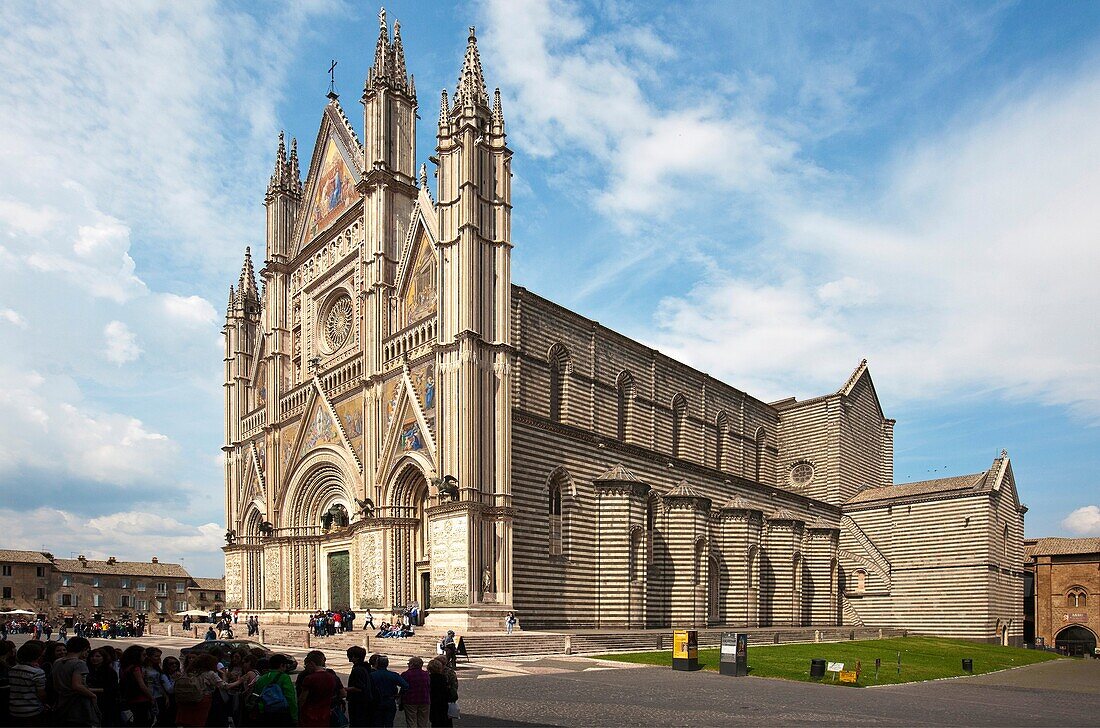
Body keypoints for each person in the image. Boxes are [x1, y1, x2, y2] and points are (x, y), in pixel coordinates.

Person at [52, 636, 100, 727]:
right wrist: (92, 695)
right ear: (84, 649)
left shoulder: (57, 661)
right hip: (76, 703)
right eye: (87, 651)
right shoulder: (79, 663)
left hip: (61, 701)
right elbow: (77, 685)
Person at [296, 650, 344, 727]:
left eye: (306, 665)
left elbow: (302, 699)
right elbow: (343, 693)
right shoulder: (332, 676)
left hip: (309, 714)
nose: (306, 667)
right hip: (326, 713)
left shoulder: (308, 678)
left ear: (311, 663)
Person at [248, 653, 297, 727]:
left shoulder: (261, 678)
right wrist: (294, 717)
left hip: (264, 713)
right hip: (281, 714)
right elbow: (290, 697)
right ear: (281, 665)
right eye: (285, 665)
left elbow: (256, 696)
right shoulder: (284, 677)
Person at [8, 640, 49, 726]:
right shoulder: (37, 672)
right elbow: (41, 694)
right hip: (32, 709)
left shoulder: (12, 669)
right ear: (37, 656)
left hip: (14, 709)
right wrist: (45, 703)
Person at [368, 655, 408, 728]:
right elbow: (406, 686)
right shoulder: (393, 675)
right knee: (389, 723)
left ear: (377, 664)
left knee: (377, 723)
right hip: (390, 700)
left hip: (376, 701)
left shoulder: (371, 675)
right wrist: (399, 695)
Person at [118, 645, 154, 726]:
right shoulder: (136, 668)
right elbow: (142, 685)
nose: (146, 657)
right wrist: (151, 698)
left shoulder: (124, 667)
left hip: (130, 698)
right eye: (143, 655)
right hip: (140, 699)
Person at [345, 647, 378, 728]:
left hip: (358, 702)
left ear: (355, 657)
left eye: (350, 655)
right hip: (366, 701)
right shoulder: (365, 668)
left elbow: (359, 688)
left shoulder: (358, 670)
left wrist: (345, 689)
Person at [86, 647, 118, 726]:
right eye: (92, 656)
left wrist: (91, 690)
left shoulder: (110, 672)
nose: (94, 658)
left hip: (106, 703)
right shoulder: (87, 670)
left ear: (104, 658)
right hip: (89, 702)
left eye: (98, 656)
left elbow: (112, 688)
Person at [400, 656, 430, 728]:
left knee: (411, 721)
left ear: (412, 664)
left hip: (410, 700)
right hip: (424, 699)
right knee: (423, 722)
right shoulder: (426, 674)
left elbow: (403, 687)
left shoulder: (406, 674)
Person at [426, 658, 454, 728]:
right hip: (443, 703)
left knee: (435, 722)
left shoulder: (428, 679)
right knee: (446, 721)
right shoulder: (443, 678)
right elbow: (449, 691)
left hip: (432, 703)